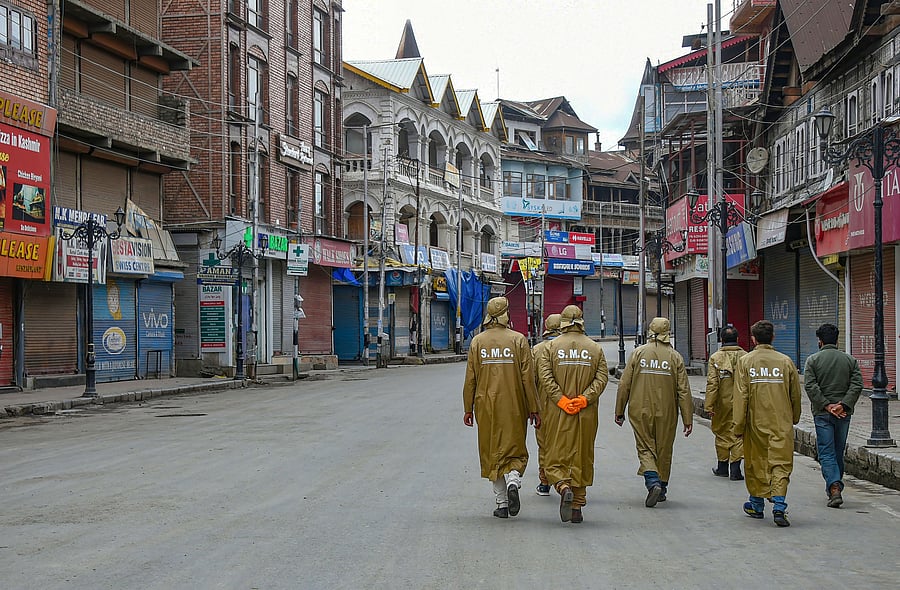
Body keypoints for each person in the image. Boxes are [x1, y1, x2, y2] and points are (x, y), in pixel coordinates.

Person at [463, 296, 541, 519]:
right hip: (515, 404)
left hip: (486, 406)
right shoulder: (519, 340)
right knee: (515, 447)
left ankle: (502, 504)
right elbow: (528, 379)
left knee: (491, 451)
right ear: (506, 314)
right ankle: (513, 480)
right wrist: (534, 408)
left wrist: (468, 408)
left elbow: (471, 379)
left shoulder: (478, 342)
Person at [535, 305, 608, 523]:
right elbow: (602, 378)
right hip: (586, 412)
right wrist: (585, 398)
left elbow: (545, 377)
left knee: (554, 453)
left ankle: (562, 485)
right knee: (582, 455)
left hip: (557, 411)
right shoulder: (595, 348)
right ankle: (577, 507)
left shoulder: (550, 347)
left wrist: (562, 400)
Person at [614, 317, 693, 508]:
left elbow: (624, 384)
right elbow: (683, 390)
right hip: (667, 411)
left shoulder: (638, 353)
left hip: (639, 409)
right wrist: (687, 418)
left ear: (650, 330)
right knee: (664, 448)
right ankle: (662, 487)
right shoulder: (675, 357)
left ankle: (652, 481)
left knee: (645, 446)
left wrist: (619, 410)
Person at [733, 320, 801, 527]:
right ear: (773, 337)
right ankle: (779, 505)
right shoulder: (786, 362)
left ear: (753, 339)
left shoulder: (745, 362)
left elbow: (741, 396)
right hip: (781, 422)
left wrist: (738, 426)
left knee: (756, 462)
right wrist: (794, 417)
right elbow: (795, 395)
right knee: (780, 462)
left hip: (755, 423)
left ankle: (756, 504)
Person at [803, 323, 863, 508]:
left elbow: (810, 386)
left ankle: (834, 486)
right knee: (838, 450)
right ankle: (834, 485)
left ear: (819, 341)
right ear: (837, 341)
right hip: (843, 413)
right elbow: (857, 384)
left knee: (826, 451)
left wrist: (827, 405)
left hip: (822, 413)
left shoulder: (812, 360)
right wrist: (843, 405)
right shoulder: (850, 360)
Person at [704, 325, 747, 480]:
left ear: (721, 340)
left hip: (722, 404)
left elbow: (712, 384)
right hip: (742, 403)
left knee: (722, 433)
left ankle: (722, 467)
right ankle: (735, 469)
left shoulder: (715, 358)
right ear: (737, 339)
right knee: (739, 433)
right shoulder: (746, 357)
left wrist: (709, 405)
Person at [532, 313, 562, 497]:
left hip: (542, 405)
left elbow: (531, 380)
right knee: (564, 443)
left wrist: (531, 407)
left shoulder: (537, 350)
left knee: (544, 443)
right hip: (566, 405)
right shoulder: (567, 348)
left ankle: (544, 482)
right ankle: (563, 479)